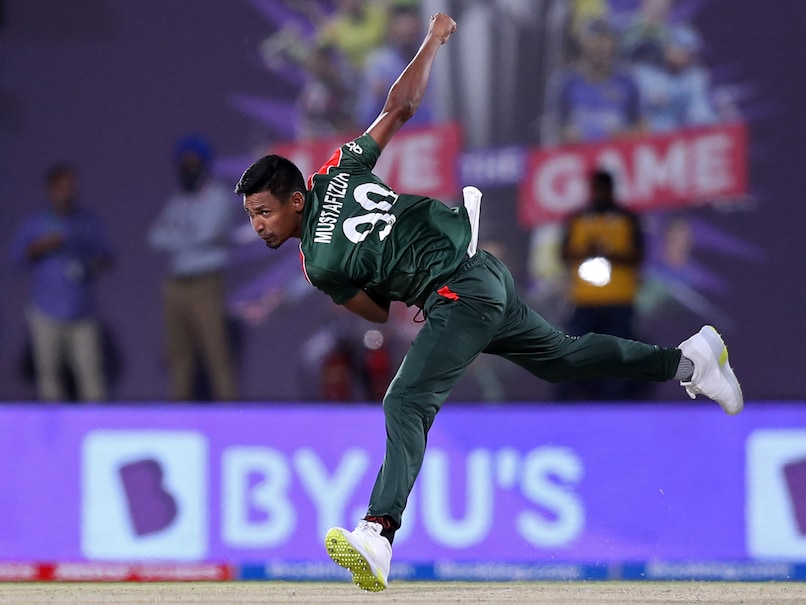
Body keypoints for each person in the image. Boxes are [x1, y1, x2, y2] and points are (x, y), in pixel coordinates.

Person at [235, 13, 742, 592]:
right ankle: (690, 361)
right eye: (251, 216)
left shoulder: (318, 264)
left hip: (457, 292)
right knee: (563, 357)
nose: (258, 225)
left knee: (406, 400)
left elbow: (376, 312)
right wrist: (432, 41)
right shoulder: (339, 168)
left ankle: (376, 533)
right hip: (482, 270)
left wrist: (384, 279)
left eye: (264, 212)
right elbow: (399, 107)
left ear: (296, 201)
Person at [10, 163, 114, 401]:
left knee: (91, 377)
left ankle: (94, 421)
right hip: (45, 312)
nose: (67, 192)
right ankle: (52, 425)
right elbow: (17, 257)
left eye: (71, 187)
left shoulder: (87, 222)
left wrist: (88, 266)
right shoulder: (35, 224)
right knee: (49, 378)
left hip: (82, 313)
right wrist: (41, 246)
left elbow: (107, 256)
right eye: (62, 187)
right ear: (50, 189)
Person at [147, 135, 238, 402]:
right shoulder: (178, 199)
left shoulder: (218, 197)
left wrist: (176, 232)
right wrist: (183, 234)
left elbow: (205, 234)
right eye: (184, 164)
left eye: (194, 163)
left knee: (216, 353)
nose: (189, 169)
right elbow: (154, 237)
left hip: (205, 284)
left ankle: (230, 413)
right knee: (178, 356)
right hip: (176, 285)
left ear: (205, 165)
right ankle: (178, 414)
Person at [558, 169, 644, 400]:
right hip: (585, 300)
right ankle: (566, 405)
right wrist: (588, 251)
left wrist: (609, 254)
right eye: (598, 189)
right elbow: (564, 254)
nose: (601, 194)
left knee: (617, 357)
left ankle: (615, 405)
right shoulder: (578, 219)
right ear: (592, 190)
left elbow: (638, 256)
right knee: (574, 354)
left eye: (605, 189)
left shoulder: (627, 218)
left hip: (619, 300)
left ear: (611, 189)